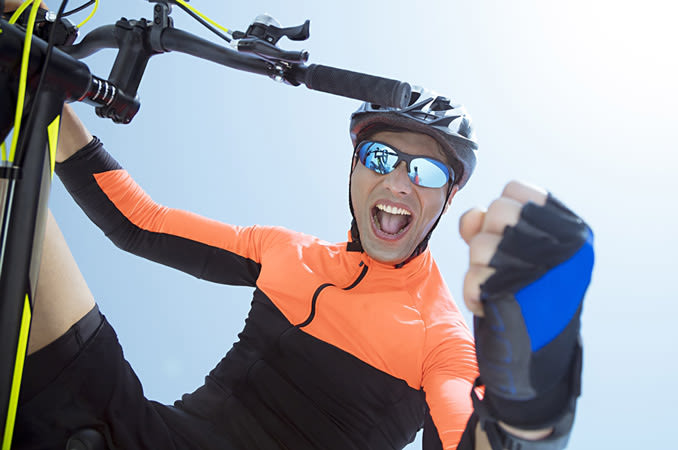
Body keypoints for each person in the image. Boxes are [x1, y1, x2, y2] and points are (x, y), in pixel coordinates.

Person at [5, 3, 593, 449]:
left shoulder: (441, 338)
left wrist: (535, 398)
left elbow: (473, 435)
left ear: (447, 196)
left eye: (427, 170)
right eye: (382, 159)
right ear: (356, 168)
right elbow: (140, 222)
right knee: (12, 194)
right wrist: (48, 89)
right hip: (154, 434)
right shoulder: (288, 252)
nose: (398, 183)